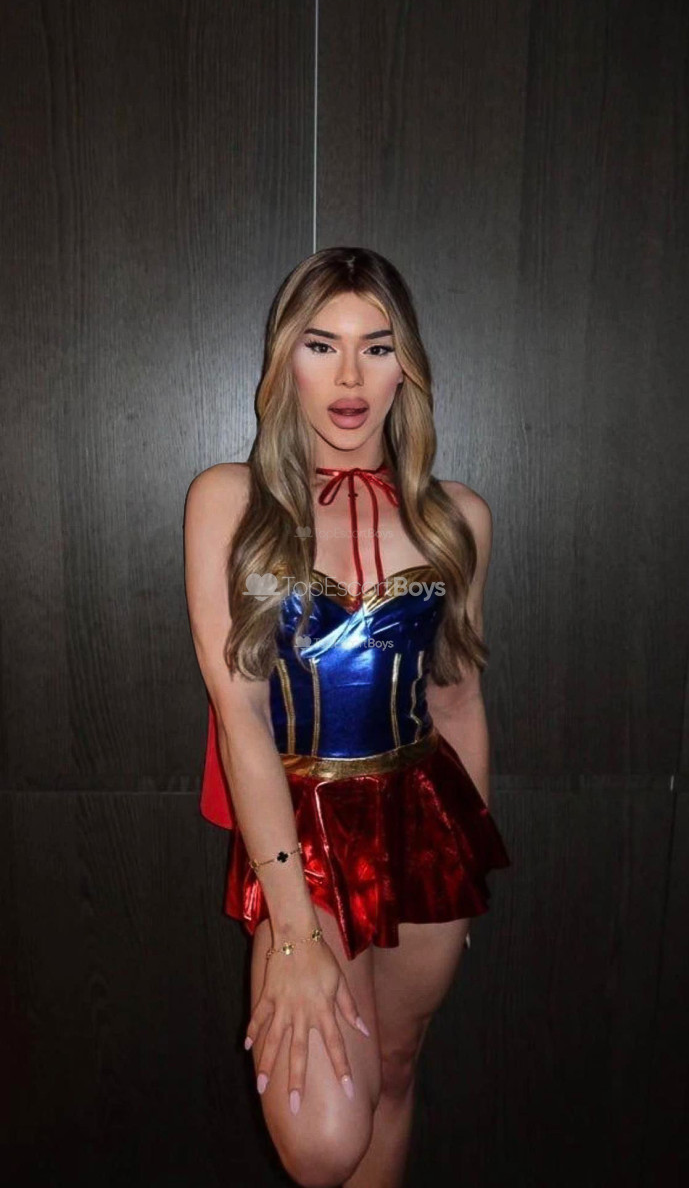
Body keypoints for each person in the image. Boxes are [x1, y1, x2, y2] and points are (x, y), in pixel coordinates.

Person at [183, 247, 511, 1188]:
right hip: (302, 830)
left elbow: (458, 701)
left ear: (407, 366)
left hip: (427, 827)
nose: (351, 377)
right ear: (284, 358)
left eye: (377, 346)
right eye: (322, 345)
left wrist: (466, 868)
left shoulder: (458, 518)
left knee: (396, 1072)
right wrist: (291, 934)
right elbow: (240, 716)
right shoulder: (229, 501)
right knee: (324, 1137)